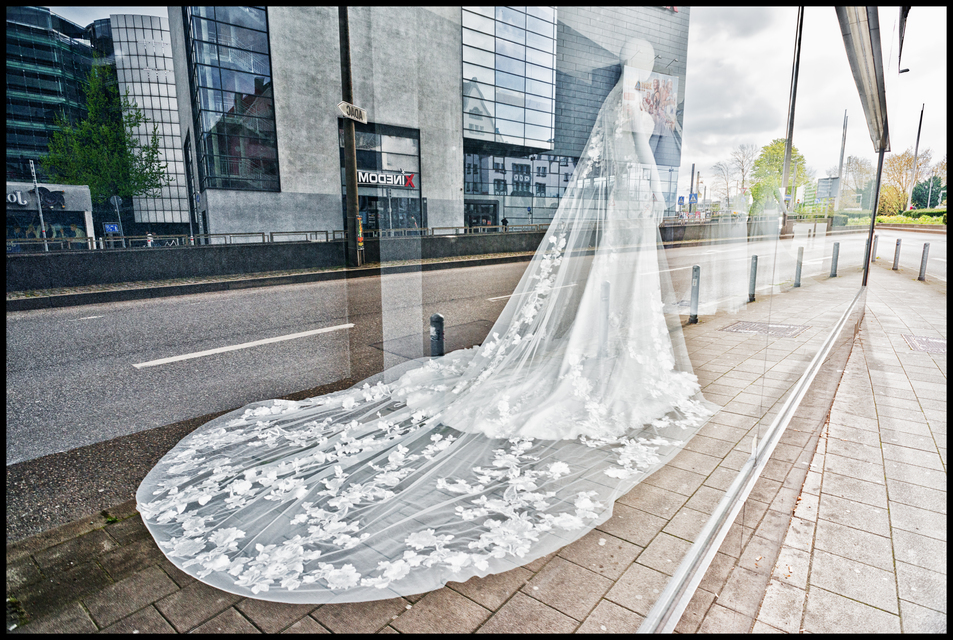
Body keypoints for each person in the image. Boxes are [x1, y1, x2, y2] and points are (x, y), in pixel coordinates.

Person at [137, 40, 714, 605]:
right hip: (633, 206)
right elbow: (640, 149)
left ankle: (602, 358)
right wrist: (653, 178)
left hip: (629, 207)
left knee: (617, 301)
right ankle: (605, 363)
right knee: (619, 300)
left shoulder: (634, 97)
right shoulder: (637, 94)